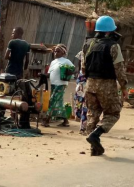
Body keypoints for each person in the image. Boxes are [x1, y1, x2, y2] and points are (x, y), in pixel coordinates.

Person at [82, 16, 128, 156]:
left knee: (93, 114)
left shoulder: (88, 44)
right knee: (113, 113)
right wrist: (124, 87)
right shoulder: (114, 46)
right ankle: (96, 135)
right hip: (107, 85)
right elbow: (119, 69)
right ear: (109, 31)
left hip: (90, 84)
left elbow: (83, 68)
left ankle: (93, 148)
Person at [42, 44, 74, 127]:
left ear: (63, 52)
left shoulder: (66, 61)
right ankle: (65, 121)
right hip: (53, 84)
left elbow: (73, 69)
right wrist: (43, 75)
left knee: (53, 100)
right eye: (55, 51)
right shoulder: (53, 62)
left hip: (61, 84)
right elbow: (49, 74)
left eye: (58, 51)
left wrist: (68, 72)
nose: (55, 53)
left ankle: (47, 119)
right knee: (58, 102)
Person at [74, 51, 87, 134]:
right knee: (80, 105)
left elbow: (79, 64)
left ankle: (83, 127)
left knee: (84, 106)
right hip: (83, 83)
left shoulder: (84, 51)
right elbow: (79, 64)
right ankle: (83, 124)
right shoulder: (83, 52)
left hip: (86, 83)